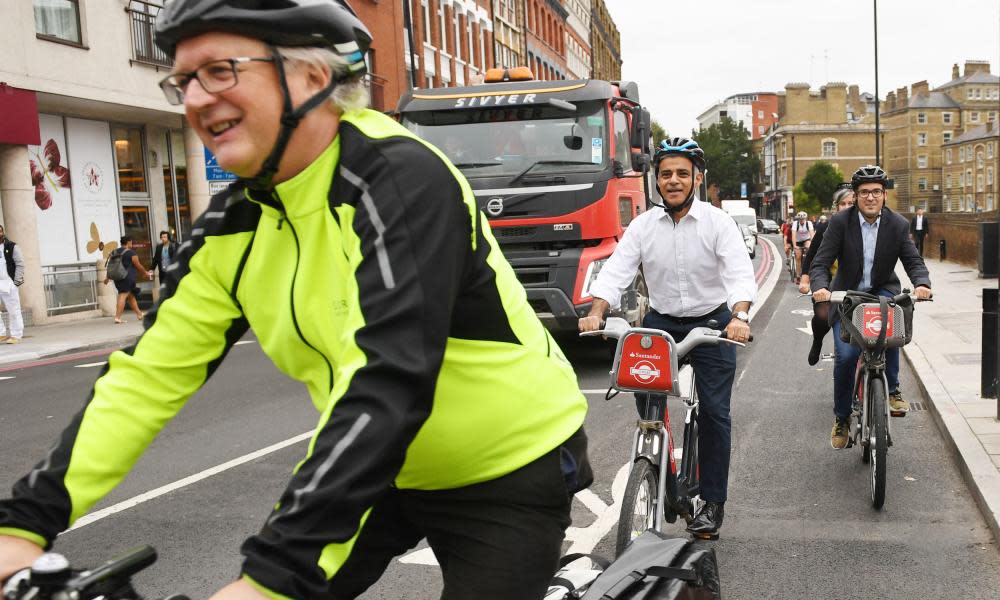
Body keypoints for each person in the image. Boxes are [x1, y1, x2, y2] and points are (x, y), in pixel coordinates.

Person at [0, 2, 591, 599]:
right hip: (375, 469)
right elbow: (145, 379)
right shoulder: (231, 228)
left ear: (313, 76)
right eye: (183, 80)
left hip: (506, 464)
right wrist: (25, 523)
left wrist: (271, 581)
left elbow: (391, 376)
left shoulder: (400, 178)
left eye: (221, 70)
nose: (196, 99)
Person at [579, 137, 756, 541]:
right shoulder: (644, 226)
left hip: (713, 322)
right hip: (660, 323)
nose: (673, 181)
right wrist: (596, 312)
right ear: (656, 180)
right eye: (665, 174)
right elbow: (616, 271)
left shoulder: (718, 223)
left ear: (696, 177)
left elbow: (738, 276)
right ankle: (667, 476)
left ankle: (712, 503)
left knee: (714, 413)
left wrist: (739, 316)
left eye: (681, 173)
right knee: (648, 405)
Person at [810, 166, 932, 450]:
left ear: (884, 195)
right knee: (846, 356)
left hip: (881, 290)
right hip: (848, 294)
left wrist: (922, 283)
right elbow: (820, 262)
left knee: (891, 333)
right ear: (856, 196)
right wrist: (820, 286)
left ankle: (893, 389)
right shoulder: (840, 223)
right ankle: (841, 417)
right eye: (864, 192)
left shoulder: (898, 224)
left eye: (876, 192)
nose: (870, 197)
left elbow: (913, 261)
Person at [798, 186, 854, 365]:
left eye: (851, 203)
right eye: (843, 204)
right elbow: (814, 255)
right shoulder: (827, 227)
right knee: (823, 314)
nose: (846, 207)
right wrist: (805, 278)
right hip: (830, 282)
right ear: (836, 207)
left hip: (856, 283)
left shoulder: (864, 226)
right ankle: (817, 341)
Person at [104, 235, 153, 324]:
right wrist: (145, 273)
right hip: (127, 277)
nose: (132, 243)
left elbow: (111, 266)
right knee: (123, 295)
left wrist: (107, 277)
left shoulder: (114, 252)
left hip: (118, 278)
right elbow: (138, 265)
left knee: (130, 296)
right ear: (129, 242)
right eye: (131, 242)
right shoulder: (131, 253)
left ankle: (139, 314)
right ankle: (117, 317)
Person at [0, 224, 25, 345]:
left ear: (3, 232)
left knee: (13, 309)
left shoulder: (12, 246)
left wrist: (16, 282)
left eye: (0, 231)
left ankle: (16, 334)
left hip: (8, 282)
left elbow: (20, 264)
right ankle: (1, 333)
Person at [790, 211, 814, 282]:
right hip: (797, 241)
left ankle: (808, 270)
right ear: (798, 219)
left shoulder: (808, 223)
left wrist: (813, 245)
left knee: (809, 247)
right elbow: (793, 235)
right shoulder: (795, 224)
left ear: (805, 219)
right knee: (798, 257)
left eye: (803, 219)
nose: (801, 221)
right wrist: (794, 245)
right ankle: (798, 275)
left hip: (806, 239)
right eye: (800, 219)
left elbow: (812, 234)